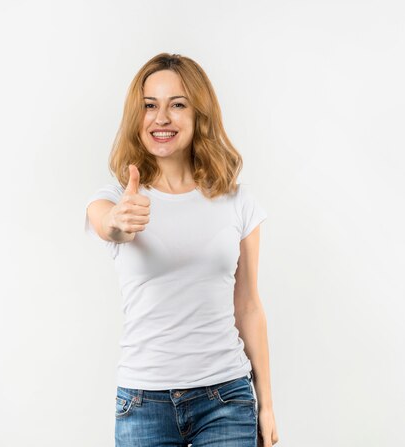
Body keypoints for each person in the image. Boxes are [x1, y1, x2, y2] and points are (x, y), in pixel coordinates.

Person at [84, 53, 279, 447]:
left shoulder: (237, 202)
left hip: (225, 397)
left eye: (177, 105)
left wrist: (267, 404)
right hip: (142, 402)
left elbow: (249, 305)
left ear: (199, 114)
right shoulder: (116, 199)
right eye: (149, 106)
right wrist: (119, 223)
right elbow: (108, 225)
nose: (161, 118)